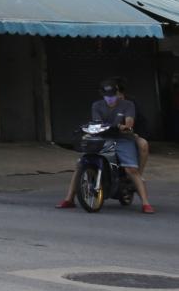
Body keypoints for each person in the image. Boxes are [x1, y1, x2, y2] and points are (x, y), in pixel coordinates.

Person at [57, 78, 154, 213]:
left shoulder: (128, 104)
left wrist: (125, 127)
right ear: (102, 95)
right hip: (103, 137)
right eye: (107, 96)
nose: (111, 98)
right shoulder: (97, 105)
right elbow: (97, 122)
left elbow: (129, 122)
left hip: (123, 139)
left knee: (131, 169)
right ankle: (69, 199)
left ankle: (145, 202)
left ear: (118, 93)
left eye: (113, 95)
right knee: (80, 165)